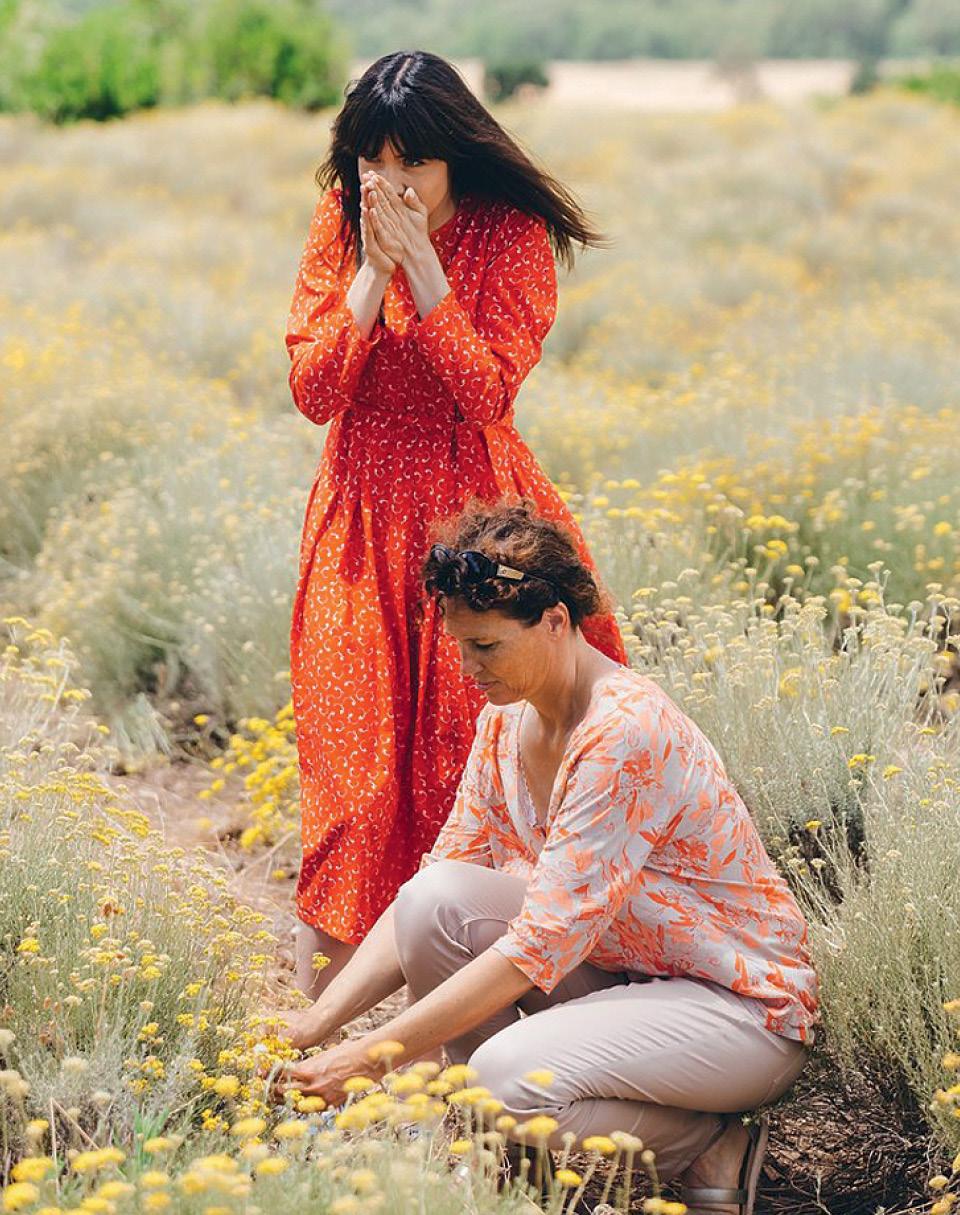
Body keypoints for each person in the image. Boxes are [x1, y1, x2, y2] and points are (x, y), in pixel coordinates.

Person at [275, 501, 819, 1215]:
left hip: (735, 1010)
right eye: (460, 645)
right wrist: (313, 1026)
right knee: (435, 901)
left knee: (503, 1078)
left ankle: (707, 1147)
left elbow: (538, 946)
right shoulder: (507, 721)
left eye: (487, 646)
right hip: (627, 975)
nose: (468, 667)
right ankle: (512, 1176)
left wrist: (370, 1056)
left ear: (556, 621)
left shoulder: (624, 730)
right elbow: (431, 890)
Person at [285, 50, 626, 995]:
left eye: (414, 164)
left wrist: (425, 270)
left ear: (455, 157)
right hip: (358, 520)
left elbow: (486, 393)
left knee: (467, 775)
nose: (389, 183)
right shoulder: (340, 223)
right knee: (351, 785)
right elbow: (313, 391)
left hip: (473, 521)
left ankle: (475, 1029)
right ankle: (313, 1035)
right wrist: (372, 272)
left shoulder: (509, 232)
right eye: (371, 161)